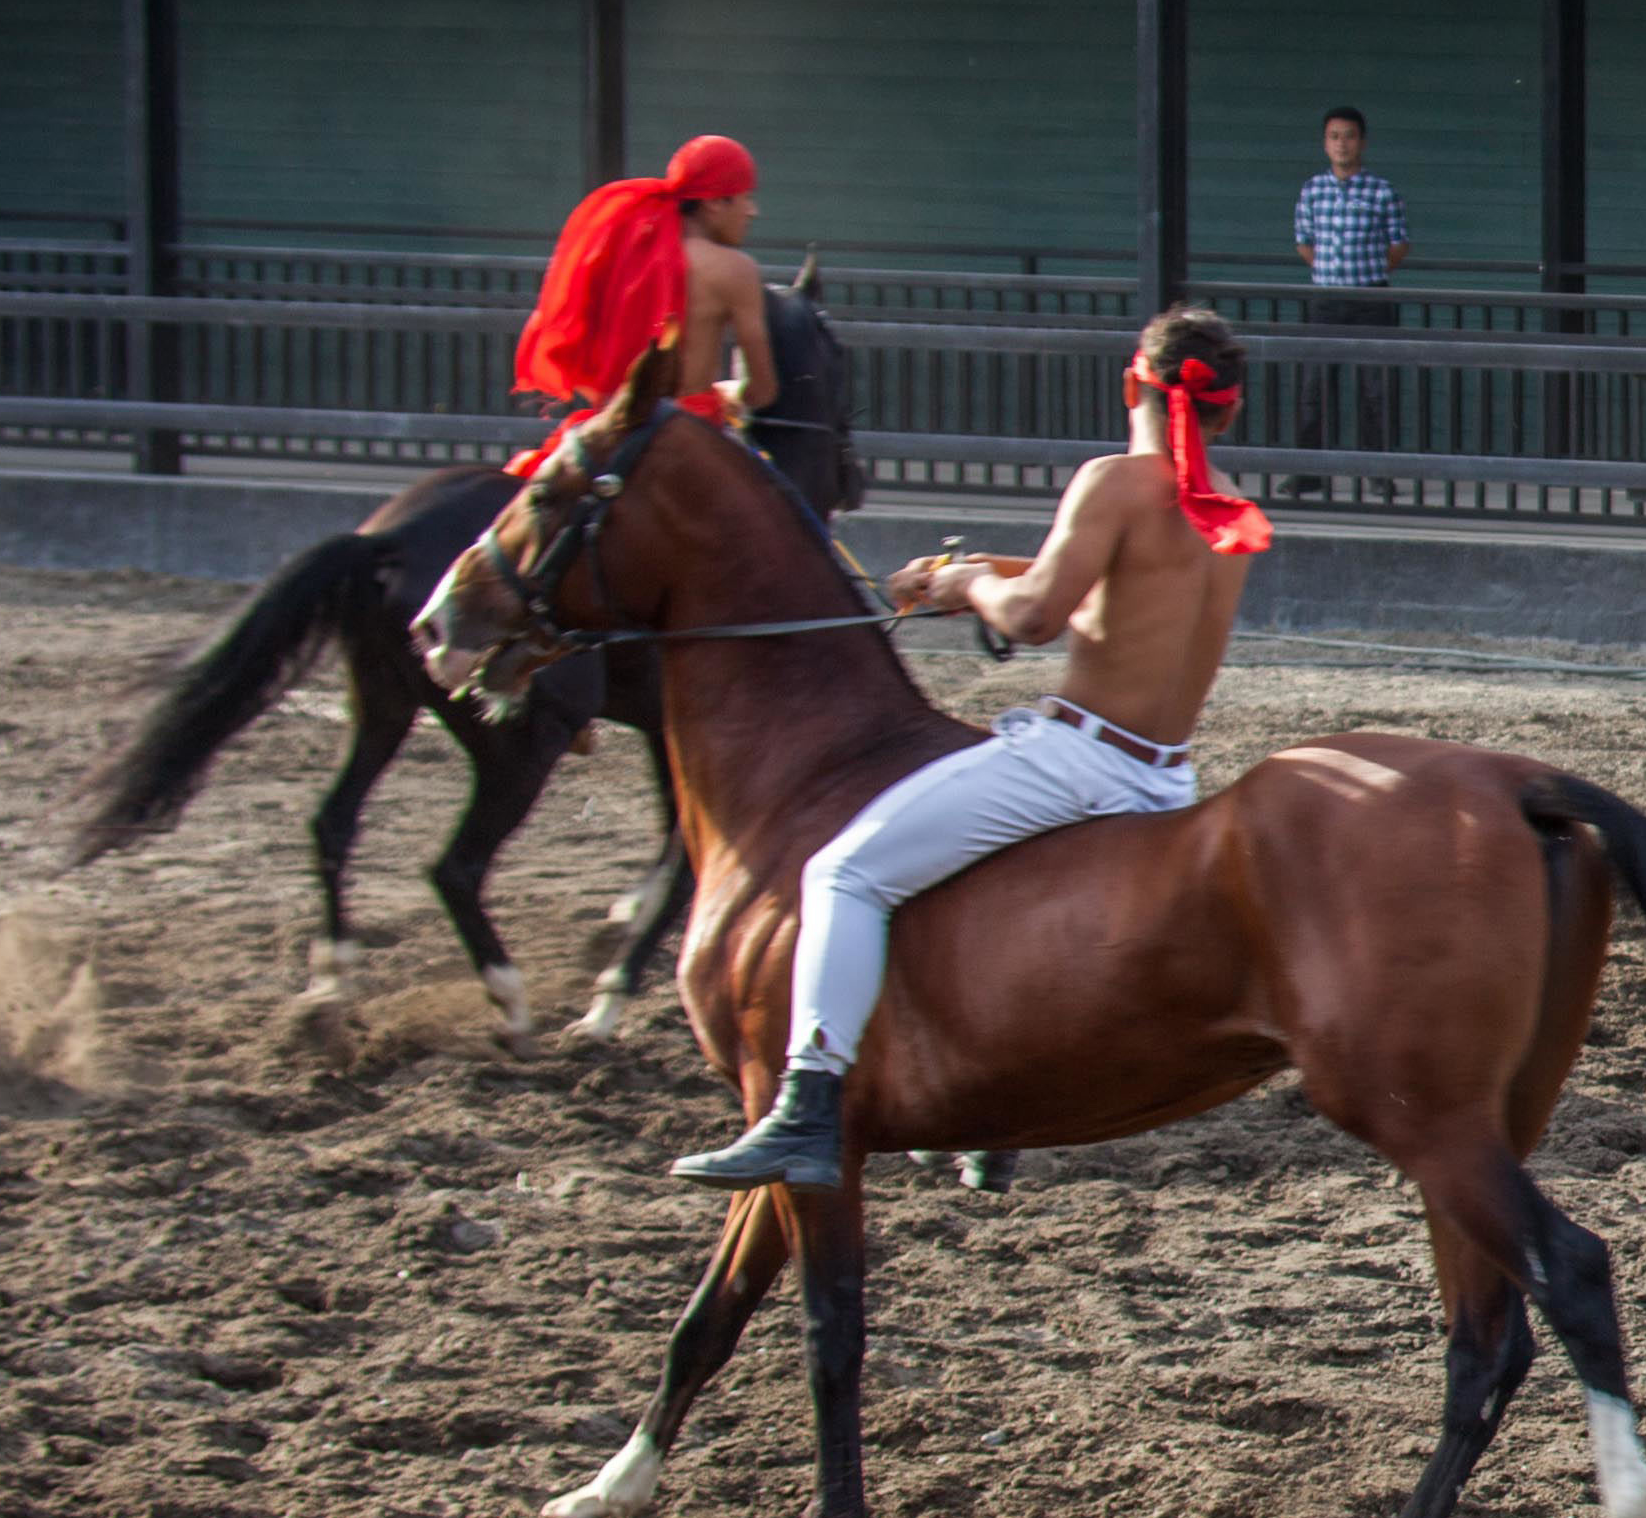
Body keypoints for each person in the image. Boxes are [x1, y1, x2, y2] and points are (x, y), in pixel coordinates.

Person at [667, 306, 1275, 1189]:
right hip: (1162, 781)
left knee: (844, 874)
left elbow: (1035, 618)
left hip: (1077, 763)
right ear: (1231, 409)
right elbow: (1116, 586)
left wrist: (963, 583)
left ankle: (807, 1103)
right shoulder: (1231, 518)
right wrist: (969, 579)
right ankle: (989, 1121)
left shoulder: (1112, 481)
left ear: (1129, 384)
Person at [505, 134, 776, 478]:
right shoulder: (736, 270)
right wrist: (728, 394)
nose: (753, 211)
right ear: (714, 203)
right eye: (745, 198)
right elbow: (763, 390)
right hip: (689, 439)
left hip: (612, 432)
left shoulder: (626, 257)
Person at [1292, 105, 1408, 481]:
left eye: (1350, 136)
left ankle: (1377, 472)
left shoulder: (1382, 191)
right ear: (1325, 144)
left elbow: (1399, 246)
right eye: (1334, 136)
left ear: (1363, 142)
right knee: (1315, 386)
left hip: (1371, 299)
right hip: (1326, 300)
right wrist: (1331, 271)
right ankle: (1309, 471)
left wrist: (1367, 272)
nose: (1342, 144)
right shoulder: (1312, 190)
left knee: (1375, 389)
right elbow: (1304, 243)